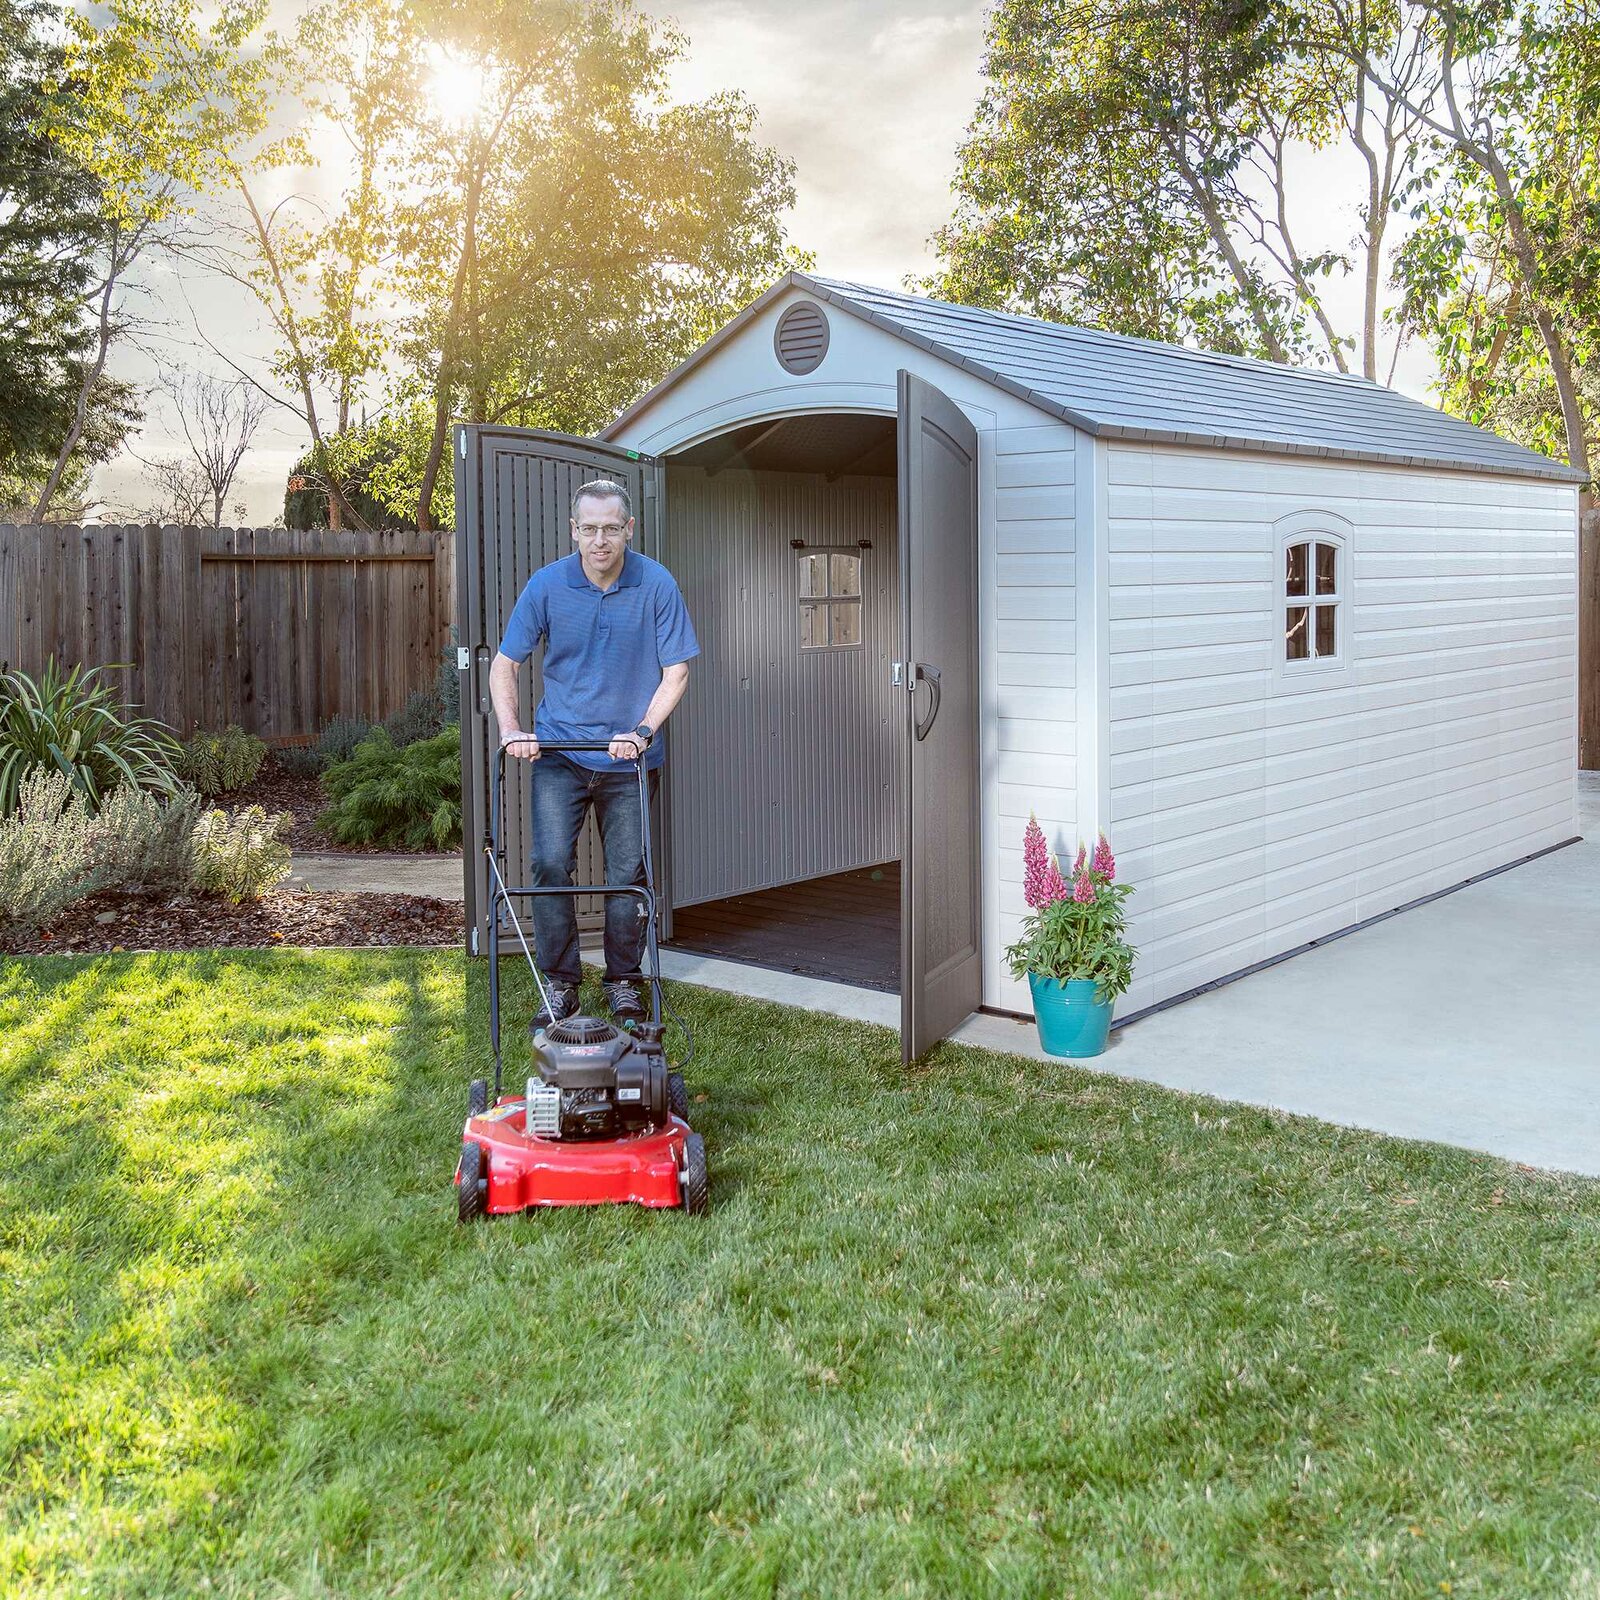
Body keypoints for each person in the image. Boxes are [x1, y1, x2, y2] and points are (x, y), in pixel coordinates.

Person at [489, 477, 698, 1029]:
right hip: (560, 752)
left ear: (628, 529)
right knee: (550, 864)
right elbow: (504, 665)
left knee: (628, 872)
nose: (600, 540)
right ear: (574, 531)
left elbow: (677, 672)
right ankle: (560, 985)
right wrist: (513, 730)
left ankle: (625, 983)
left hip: (629, 757)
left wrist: (643, 731)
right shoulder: (547, 585)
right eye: (590, 529)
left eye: (611, 528)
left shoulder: (656, 584)